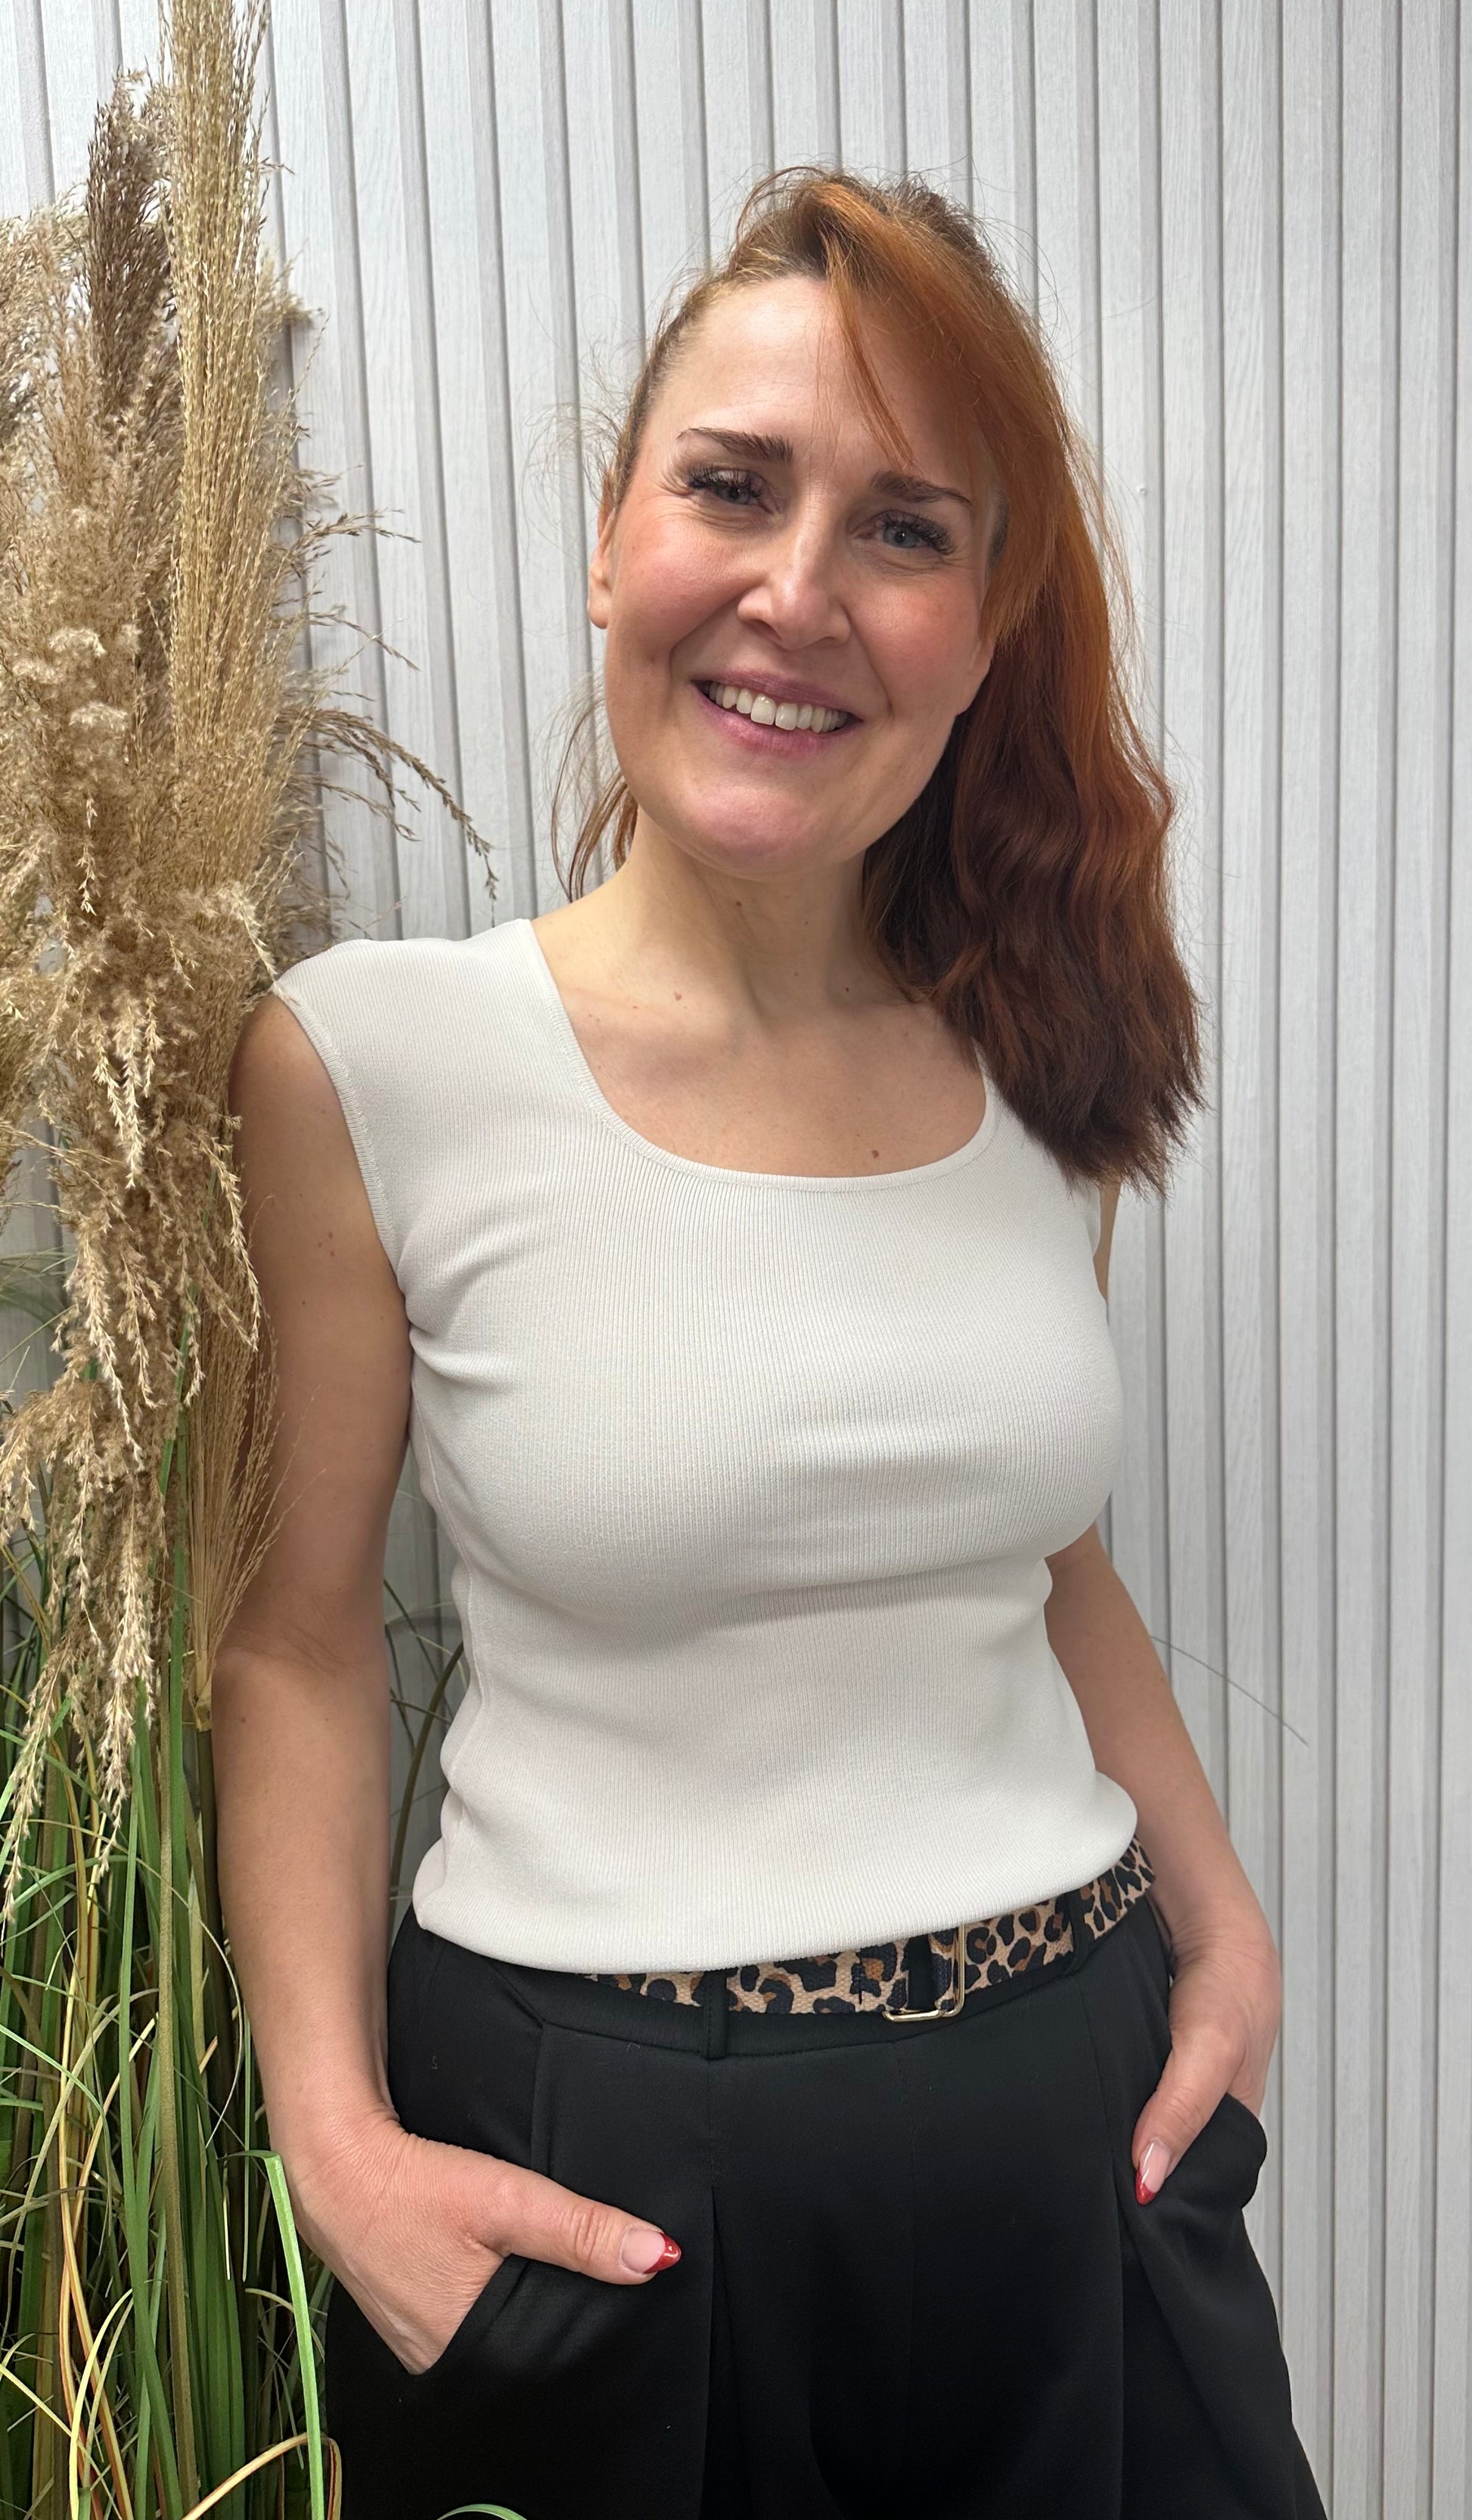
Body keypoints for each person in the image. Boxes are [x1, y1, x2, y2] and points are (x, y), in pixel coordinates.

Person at [216, 168, 1327, 2519]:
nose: (796, 591)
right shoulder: (370, 1061)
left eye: (901, 528)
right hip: (607, 2180)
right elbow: (301, 1640)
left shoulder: (1039, 1066)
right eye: (731, 485)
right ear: (610, 533)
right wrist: (330, 2137)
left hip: (1078, 2138)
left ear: (982, 626)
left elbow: (1040, 1557)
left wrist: (1220, 1922)